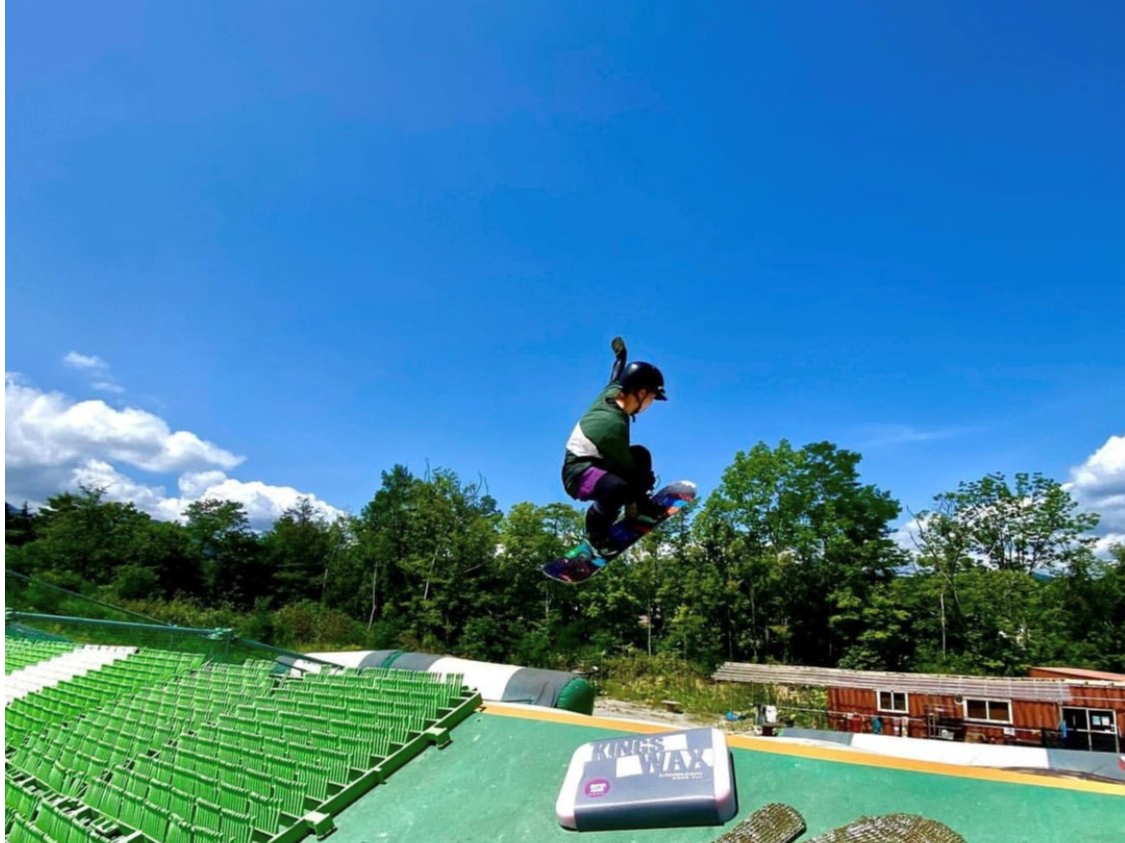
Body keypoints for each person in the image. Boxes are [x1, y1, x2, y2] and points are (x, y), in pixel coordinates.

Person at [561, 336, 667, 553]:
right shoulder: (611, 425)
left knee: (641, 455)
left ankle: (636, 509)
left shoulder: (614, 393)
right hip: (578, 474)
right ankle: (596, 533)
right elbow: (626, 471)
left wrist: (621, 357)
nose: (650, 405)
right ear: (640, 392)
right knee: (618, 488)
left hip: (600, 460)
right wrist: (641, 495)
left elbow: (616, 376)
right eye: (651, 398)